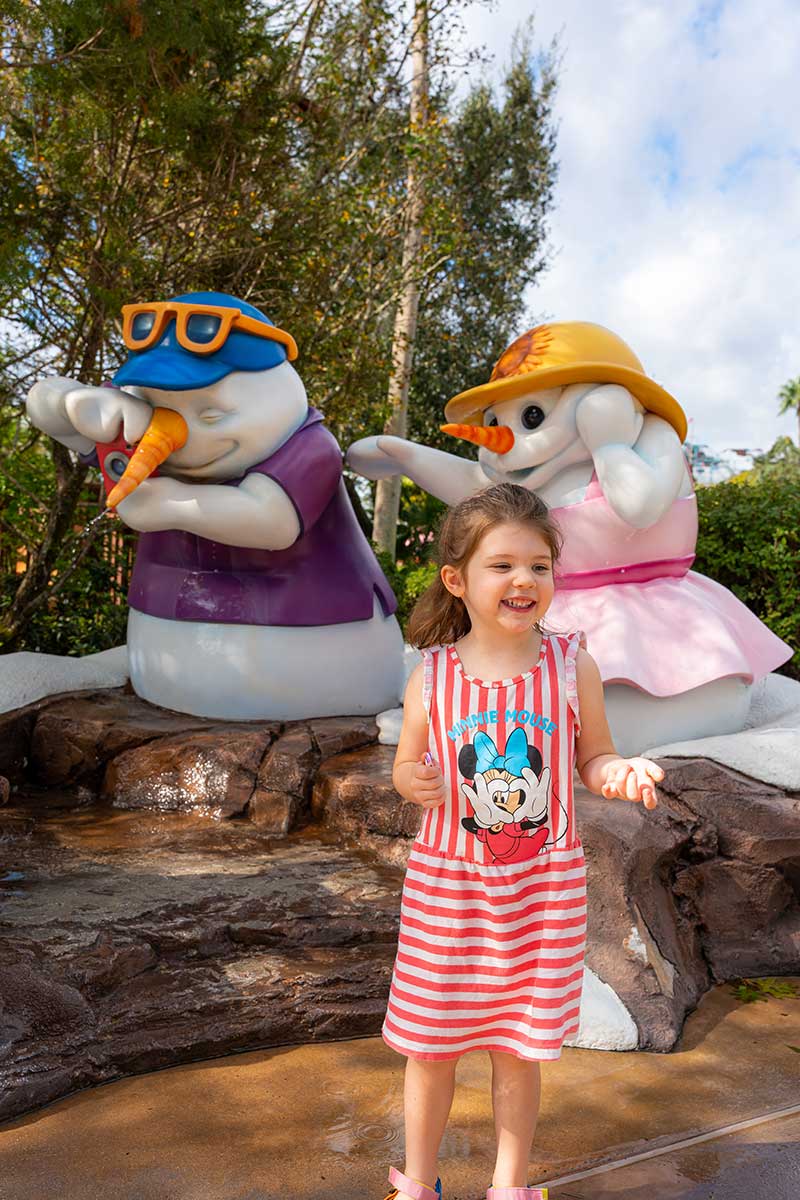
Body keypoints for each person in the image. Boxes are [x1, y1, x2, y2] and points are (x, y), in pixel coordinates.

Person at [380, 482, 664, 1200]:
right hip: (449, 891)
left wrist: (619, 771)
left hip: (541, 894)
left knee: (518, 1048)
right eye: (502, 565)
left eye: (539, 566)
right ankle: (417, 1183)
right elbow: (407, 761)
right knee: (430, 1045)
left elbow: (591, 758)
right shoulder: (433, 675)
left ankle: (509, 1187)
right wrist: (412, 778)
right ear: (458, 580)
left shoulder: (573, 667)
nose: (523, 581)